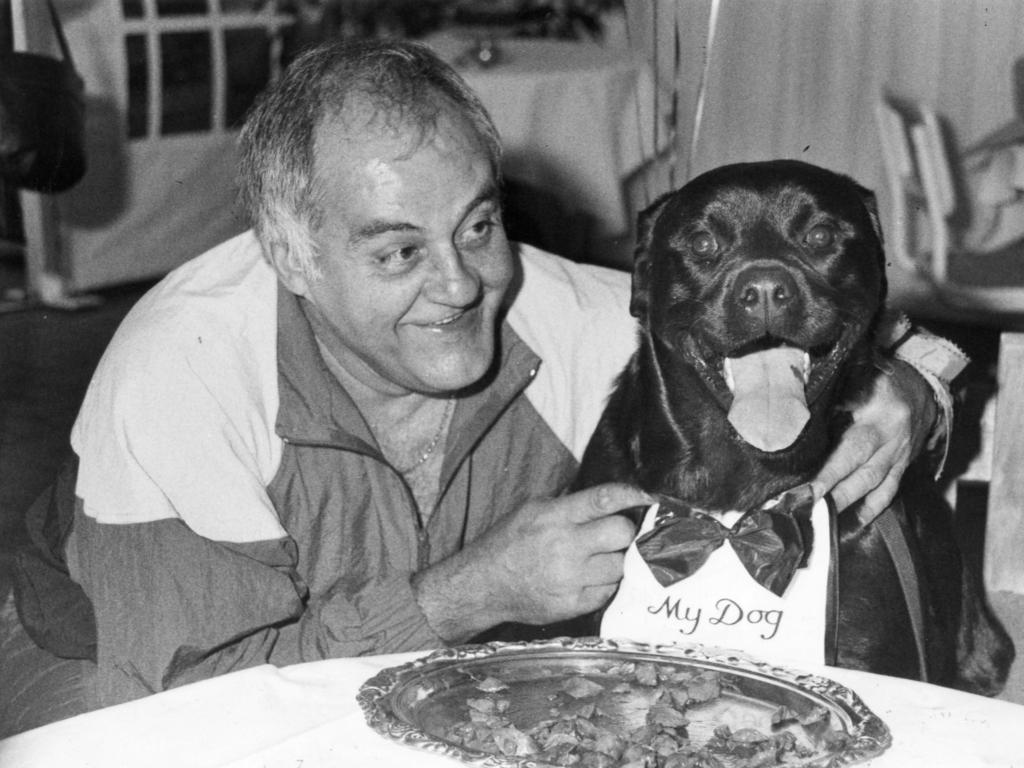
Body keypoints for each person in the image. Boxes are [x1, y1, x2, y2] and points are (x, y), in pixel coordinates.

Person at [2, 38, 955, 735]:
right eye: (396, 250)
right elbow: (199, 702)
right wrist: (463, 596)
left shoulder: (554, 312)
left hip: (405, 665)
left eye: (476, 226)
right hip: (114, 665)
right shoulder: (187, 368)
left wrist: (913, 386)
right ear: (292, 253)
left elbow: (822, 324)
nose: (460, 285)